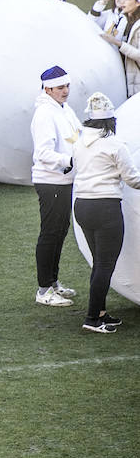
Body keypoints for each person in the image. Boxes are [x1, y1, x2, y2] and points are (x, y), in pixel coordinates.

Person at [71, 93, 139, 333]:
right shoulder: (115, 145)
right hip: (106, 208)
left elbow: (77, 169)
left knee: (99, 263)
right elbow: (132, 179)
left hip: (82, 206)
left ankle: (99, 312)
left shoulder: (79, 142)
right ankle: (92, 318)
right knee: (105, 265)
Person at [31, 66, 81, 308]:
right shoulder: (44, 114)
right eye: (61, 87)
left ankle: (53, 282)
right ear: (48, 89)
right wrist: (69, 161)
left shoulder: (64, 109)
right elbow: (43, 153)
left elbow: (77, 135)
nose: (66, 91)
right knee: (50, 234)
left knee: (59, 232)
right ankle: (43, 290)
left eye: (67, 86)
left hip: (64, 180)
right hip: (51, 181)